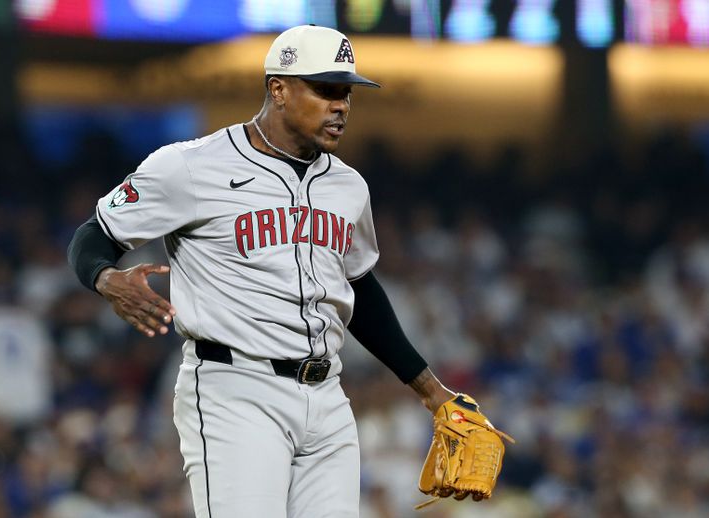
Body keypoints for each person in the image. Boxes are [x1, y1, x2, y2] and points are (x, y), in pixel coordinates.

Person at [68, 24, 461, 517]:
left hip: (328, 396)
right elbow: (92, 235)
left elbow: (358, 287)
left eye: (346, 93)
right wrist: (106, 279)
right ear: (278, 89)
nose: (341, 105)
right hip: (235, 391)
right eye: (325, 90)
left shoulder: (348, 186)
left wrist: (430, 390)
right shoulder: (191, 167)